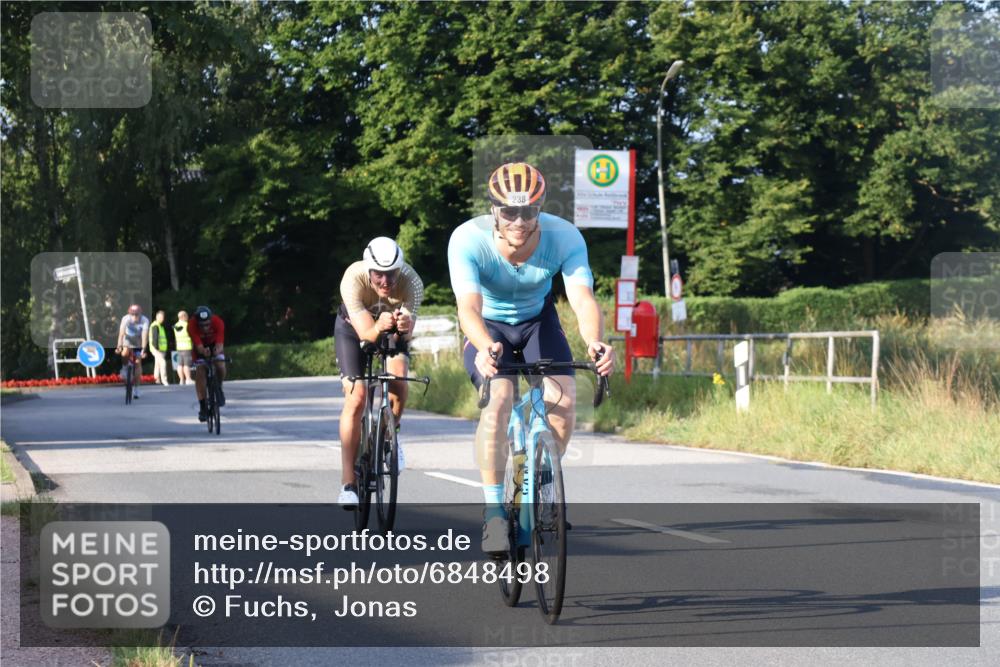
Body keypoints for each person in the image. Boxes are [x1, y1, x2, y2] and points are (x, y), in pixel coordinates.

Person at [447, 162, 616, 556]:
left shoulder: (565, 236)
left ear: (541, 208)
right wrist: (485, 347)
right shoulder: (467, 240)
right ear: (494, 210)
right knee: (500, 400)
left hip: (537, 322)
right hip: (488, 327)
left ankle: (540, 483)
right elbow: (468, 309)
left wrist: (595, 341)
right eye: (509, 212)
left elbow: (582, 297)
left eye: (529, 212)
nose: (519, 221)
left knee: (565, 400)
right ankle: (493, 514)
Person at [335, 237, 424, 509]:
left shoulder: (413, 282)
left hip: (391, 331)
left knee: (399, 383)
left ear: (401, 269)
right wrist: (379, 325)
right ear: (368, 270)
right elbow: (366, 334)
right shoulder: (353, 277)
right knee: (357, 398)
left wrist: (405, 324)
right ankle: (348, 483)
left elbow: (406, 331)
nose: (386, 281)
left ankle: (388, 437)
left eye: (391, 274)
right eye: (379, 275)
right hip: (354, 331)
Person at [189, 306, 227, 421]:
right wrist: (203, 351)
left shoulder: (218, 322)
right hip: (200, 348)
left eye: (207, 324)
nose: (205, 328)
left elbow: (220, 343)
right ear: (197, 322)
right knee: (200, 371)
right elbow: (198, 346)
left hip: (214, 344)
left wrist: (217, 351)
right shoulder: (191, 325)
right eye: (202, 325)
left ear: (211, 320)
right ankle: (203, 406)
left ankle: (219, 387)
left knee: (220, 364)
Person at [115, 304, 149, 399]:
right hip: (128, 337)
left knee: (138, 362)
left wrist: (143, 350)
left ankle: (137, 389)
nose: (134, 316)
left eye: (136, 314)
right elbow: (121, 334)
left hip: (138, 339)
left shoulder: (144, 320)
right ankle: (125, 367)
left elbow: (144, 336)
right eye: (132, 314)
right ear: (129, 314)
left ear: (140, 314)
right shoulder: (126, 319)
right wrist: (119, 346)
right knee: (125, 351)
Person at [149, 310, 171, 386]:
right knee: (163, 363)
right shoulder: (155, 325)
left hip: (161, 349)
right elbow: (155, 338)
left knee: (157, 364)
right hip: (157, 349)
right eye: (161, 317)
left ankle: (156, 380)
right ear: (157, 317)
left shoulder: (159, 325)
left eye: (163, 317)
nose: (162, 319)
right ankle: (164, 380)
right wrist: (156, 348)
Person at [173, 310, 193, 385]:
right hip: (186, 346)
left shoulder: (175, 325)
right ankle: (188, 379)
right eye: (187, 316)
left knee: (180, 364)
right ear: (184, 316)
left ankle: (181, 380)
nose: (187, 318)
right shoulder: (187, 325)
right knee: (186, 364)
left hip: (179, 347)